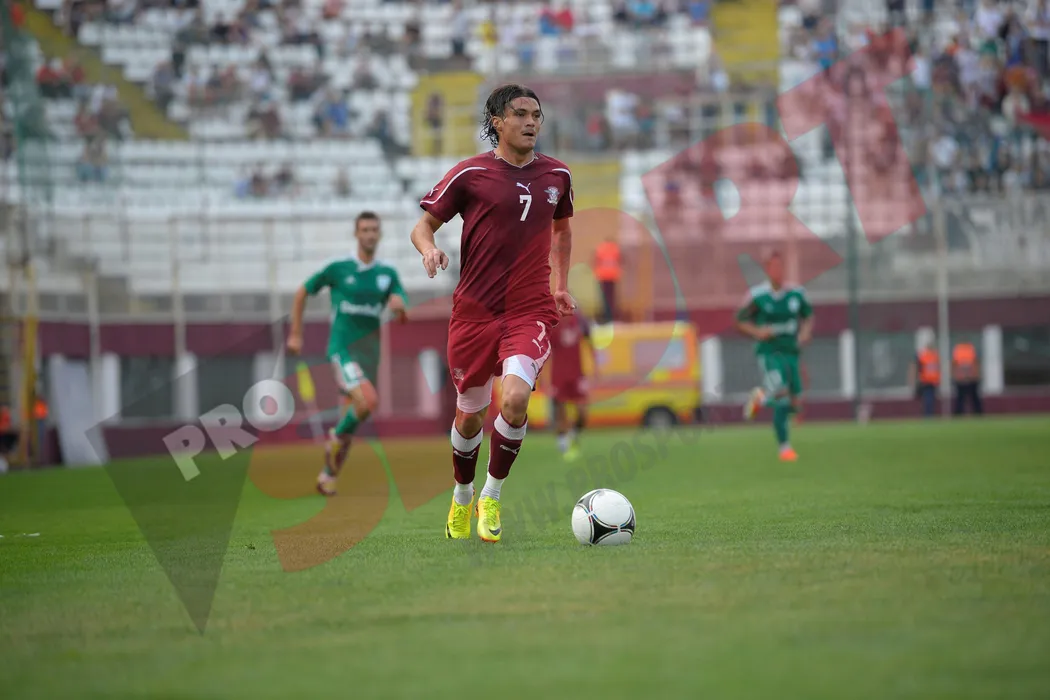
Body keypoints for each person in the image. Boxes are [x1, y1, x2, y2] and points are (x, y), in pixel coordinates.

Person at [410, 83, 576, 543]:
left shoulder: (558, 175)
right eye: (520, 114)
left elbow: (563, 232)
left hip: (529, 310)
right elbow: (422, 226)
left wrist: (560, 285)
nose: (530, 122)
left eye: (536, 115)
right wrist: (429, 250)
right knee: (469, 417)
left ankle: (492, 495)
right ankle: (462, 496)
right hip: (474, 314)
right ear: (497, 122)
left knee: (517, 399)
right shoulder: (470, 174)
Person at [286, 211, 408, 496]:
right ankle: (334, 439)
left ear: (380, 234)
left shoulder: (387, 274)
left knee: (352, 418)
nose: (370, 234)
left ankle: (327, 477)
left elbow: (402, 314)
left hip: (370, 357)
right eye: (365, 229)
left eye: (374, 229)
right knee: (368, 401)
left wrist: (400, 308)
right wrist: (296, 333)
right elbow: (303, 291)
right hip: (342, 350)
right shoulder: (339, 268)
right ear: (356, 234)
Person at [735, 250, 814, 462]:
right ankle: (784, 448)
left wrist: (805, 333)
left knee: (794, 402)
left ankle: (761, 397)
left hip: (791, 352)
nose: (777, 271)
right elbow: (739, 321)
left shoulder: (796, 293)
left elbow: (808, 316)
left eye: (780, 266)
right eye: (773, 267)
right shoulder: (757, 296)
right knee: (781, 393)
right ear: (767, 269)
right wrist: (757, 332)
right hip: (769, 352)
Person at [549, 308, 598, 462]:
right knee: (561, 412)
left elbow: (589, 341)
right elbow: (546, 349)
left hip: (577, 374)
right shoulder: (553, 323)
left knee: (582, 412)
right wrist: (542, 377)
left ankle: (574, 433)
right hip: (558, 375)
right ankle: (563, 443)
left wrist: (595, 366)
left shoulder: (579, 321)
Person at [908, 339, 940, 418]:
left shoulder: (924, 355)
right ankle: (928, 414)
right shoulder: (933, 356)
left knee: (928, 399)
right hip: (929, 381)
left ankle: (928, 414)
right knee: (929, 399)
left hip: (927, 381)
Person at [952, 341, 983, 416]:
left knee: (964, 398)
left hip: (965, 378)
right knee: (968, 398)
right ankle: (977, 413)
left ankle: (960, 413)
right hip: (967, 378)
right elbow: (976, 363)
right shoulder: (970, 349)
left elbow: (954, 364)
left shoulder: (959, 350)